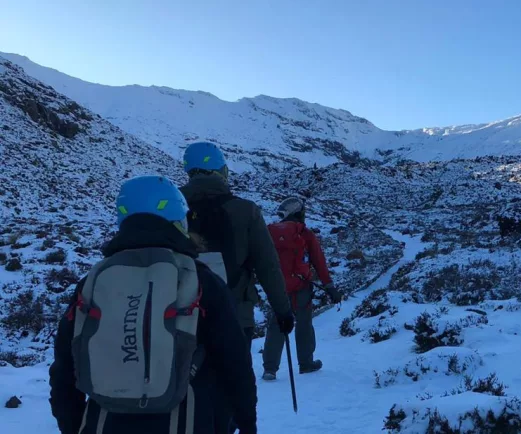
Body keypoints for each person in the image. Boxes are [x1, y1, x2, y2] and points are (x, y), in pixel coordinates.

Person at [48, 175, 257, 434]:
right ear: (177, 218)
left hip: (104, 422)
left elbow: (65, 369)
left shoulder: (92, 281)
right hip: (188, 421)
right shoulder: (201, 279)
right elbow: (235, 365)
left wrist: (73, 426)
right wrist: (246, 423)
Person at [179, 141, 293, 432]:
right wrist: (283, 311)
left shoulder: (173, 209)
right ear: (222, 171)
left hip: (178, 315)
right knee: (231, 388)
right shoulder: (246, 211)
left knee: (181, 386)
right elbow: (268, 267)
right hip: (235, 316)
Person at [262, 197, 342, 379]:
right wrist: (329, 287)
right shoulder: (305, 233)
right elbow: (319, 262)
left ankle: (270, 369)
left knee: (275, 324)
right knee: (304, 324)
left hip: (277, 287)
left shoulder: (269, 232)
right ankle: (305, 363)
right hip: (301, 286)